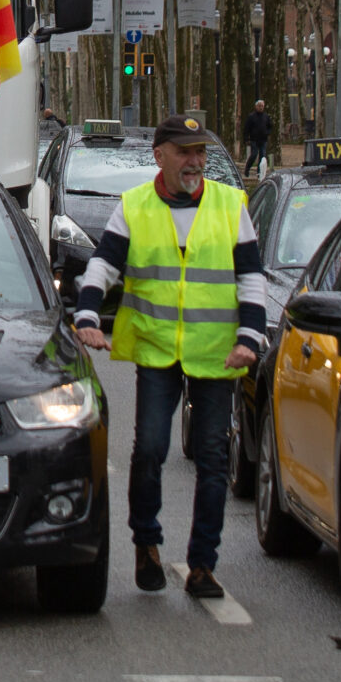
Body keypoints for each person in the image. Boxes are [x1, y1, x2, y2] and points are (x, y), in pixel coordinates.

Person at [72, 114, 267, 599]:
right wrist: (88, 317)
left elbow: (251, 275)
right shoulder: (135, 207)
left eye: (200, 152)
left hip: (215, 355)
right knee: (151, 450)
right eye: (184, 152)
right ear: (159, 157)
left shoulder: (229, 204)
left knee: (214, 459)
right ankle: (147, 544)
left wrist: (251, 337)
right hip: (158, 351)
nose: (195, 162)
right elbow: (104, 263)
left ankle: (203, 564)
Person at [240, 99, 274, 176]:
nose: (261, 108)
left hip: (263, 139)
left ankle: (259, 172)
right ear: (256, 107)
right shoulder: (251, 116)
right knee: (254, 154)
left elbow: (270, 126)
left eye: (262, 106)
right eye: (259, 106)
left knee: (262, 156)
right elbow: (246, 128)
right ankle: (247, 168)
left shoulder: (266, 116)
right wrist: (246, 139)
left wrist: (267, 133)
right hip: (254, 139)